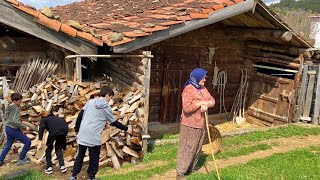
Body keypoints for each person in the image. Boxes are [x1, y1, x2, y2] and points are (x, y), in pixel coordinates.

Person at [70, 85, 132, 180]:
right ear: (107, 95)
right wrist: (126, 128)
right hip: (93, 137)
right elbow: (114, 122)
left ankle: (73, 176)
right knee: (94, 158)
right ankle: (91, 177)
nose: (110, 101)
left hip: (83, 134)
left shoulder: (90, 102)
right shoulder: (106, 108)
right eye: (110, 98)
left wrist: (76, 129)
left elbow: (80, 115)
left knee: (80, 156)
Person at [176, 68, 215, 179]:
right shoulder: (189, 89)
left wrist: (207, 104)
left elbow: (212, 101)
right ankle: (180, 172)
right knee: (187, 147)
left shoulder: (203, 89)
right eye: (203, 77)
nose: (205, 79)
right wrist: (200, 103)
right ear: (197, 77)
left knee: (197, 147)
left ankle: (191, 168)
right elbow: (187, 108)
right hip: (190, 124)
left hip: (201, 123)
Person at [0, 93, 31, 166]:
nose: (21, 102)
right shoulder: (16, 108)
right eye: (19, 101)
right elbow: (16, 122)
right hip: (13, 129)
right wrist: (24, 127)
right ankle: (21, 159)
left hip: (8, 128)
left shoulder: (9, 107)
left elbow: (7, 117)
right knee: (27, 142)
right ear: (14, 101)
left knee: (8, 144)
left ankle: (0, 160)